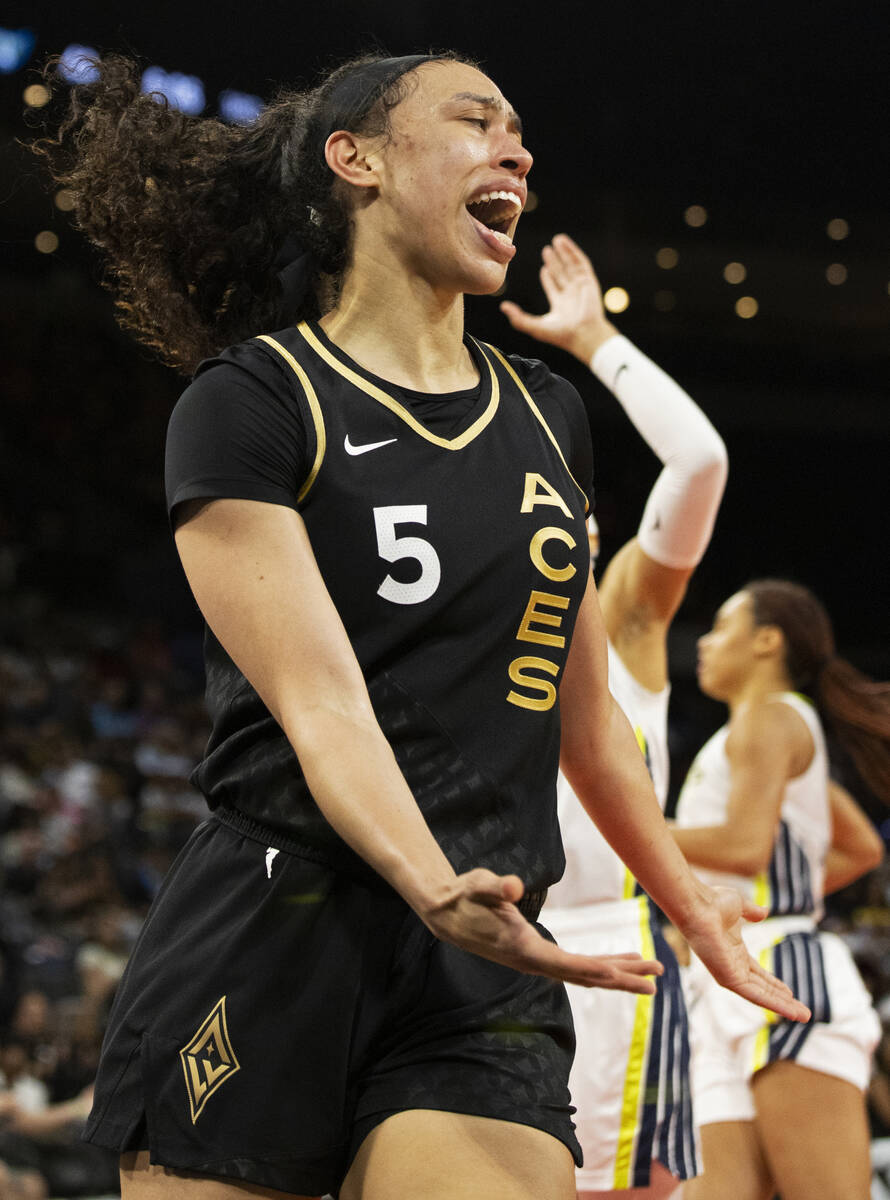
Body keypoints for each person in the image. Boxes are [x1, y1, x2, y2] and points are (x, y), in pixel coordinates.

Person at [37, 52, 808, 1200]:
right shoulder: (251, 403)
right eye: (474, 119)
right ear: (357, 161)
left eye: (518, 131)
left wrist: (689, 906)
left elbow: (583, 721)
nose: (517, 149)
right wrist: (423, 876)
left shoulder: (548, 418)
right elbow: (320, 702)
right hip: (279, 921)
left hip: (484, 961)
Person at [502, 233, 727, 1197]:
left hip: (610, 954)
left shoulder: (623, 615)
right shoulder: (466, 636)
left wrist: (596, 340)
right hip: (483, 951)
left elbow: (700, 461)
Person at [672, 579, 890, 1200]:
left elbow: (744, 845)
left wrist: (636, 834)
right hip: (723, 978)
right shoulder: (761, 734)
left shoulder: (770, 719)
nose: (705, 644)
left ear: (767, 641)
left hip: (780, 969)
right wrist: (751, 904)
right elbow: (860, 849)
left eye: (720, 626)